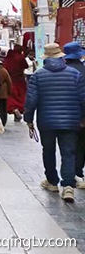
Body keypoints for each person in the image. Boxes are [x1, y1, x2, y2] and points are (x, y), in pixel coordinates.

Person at [24, 43, 85, 203]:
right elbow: (83, 99)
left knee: (48, 151)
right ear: (61, 56)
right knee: (69, 153)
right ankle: (68, 186)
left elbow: (31, 100)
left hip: (47, 122)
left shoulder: (38, 75)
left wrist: (28, 119)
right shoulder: (75, 74)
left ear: (46, 57)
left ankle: (52, 181)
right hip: (71, 121)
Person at [63, 42, 85, 189]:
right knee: (82, 145)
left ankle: (73, 175)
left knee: (69, 148)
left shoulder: (62, 72)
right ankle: (79, 173)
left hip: (66, 116)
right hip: (82, 116)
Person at [5, 45, 28, 121]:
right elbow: (26, 66)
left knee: (12, 96)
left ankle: (14, 109)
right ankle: (19, 109)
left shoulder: (9, 57)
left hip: (10, 79)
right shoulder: (20, 57)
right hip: (20, 79)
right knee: (20, 96)